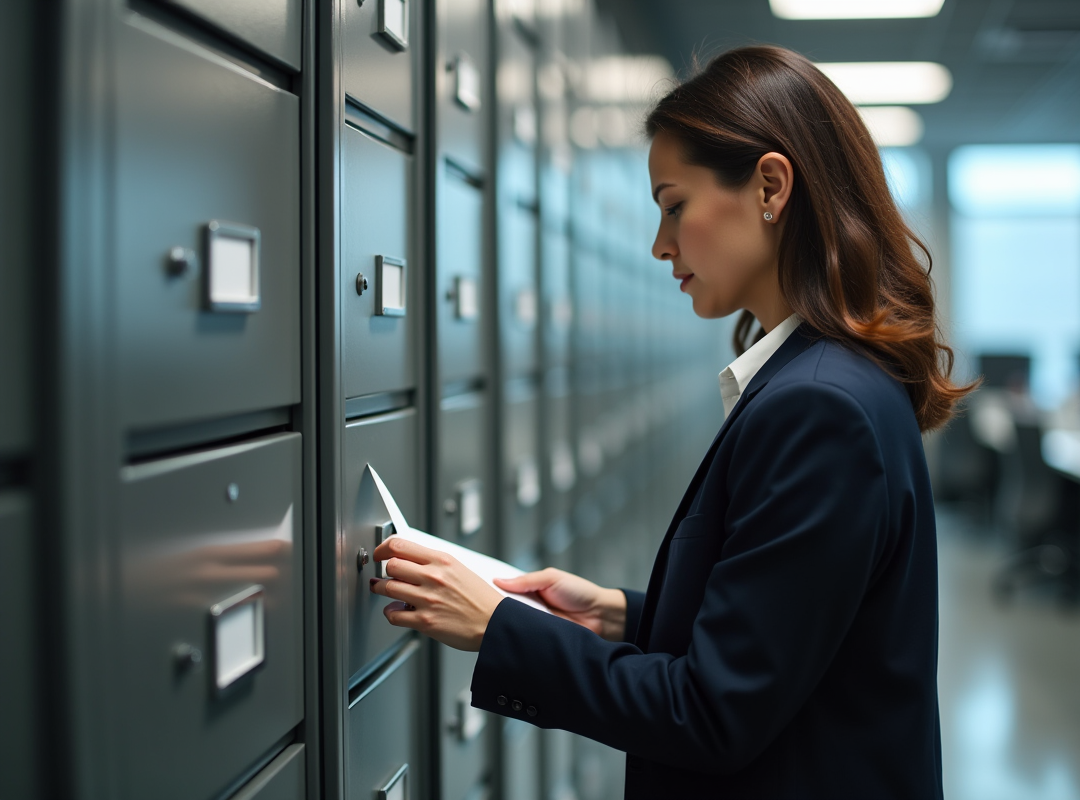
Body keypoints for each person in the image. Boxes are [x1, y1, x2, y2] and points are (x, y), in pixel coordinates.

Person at [370, 44, 972, 799]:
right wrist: (623, 615)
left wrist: (499, 628)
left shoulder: (820, 409)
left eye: (674, 205)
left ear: (770, 187)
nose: (660, 245)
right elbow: (789, 626)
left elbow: (713, 714)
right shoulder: (832, 382)